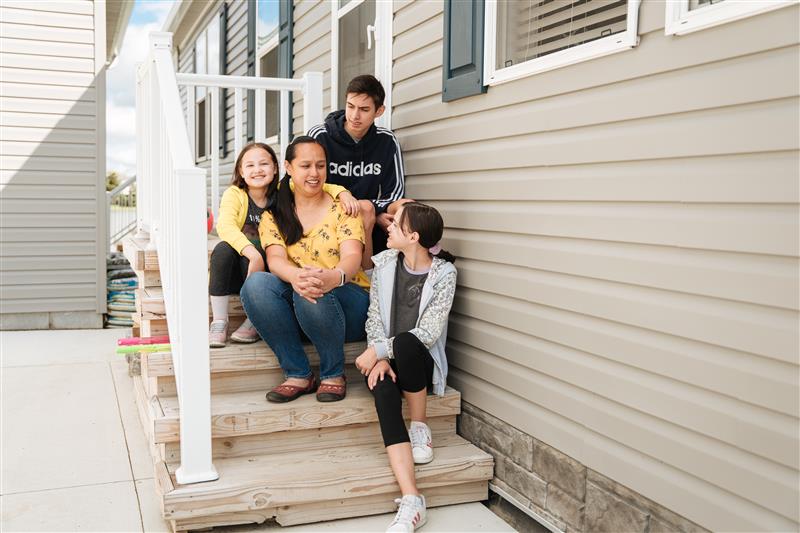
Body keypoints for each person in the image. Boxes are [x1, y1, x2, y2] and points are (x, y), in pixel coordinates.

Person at [240, 136, 371, 402]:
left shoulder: (343, 208)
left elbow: (352, 257)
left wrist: (333, 277)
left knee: (311, 286)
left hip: (349, 304)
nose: (314, 173)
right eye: (306, 166)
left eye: (320, 166)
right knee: (256, 285)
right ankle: (298, 374)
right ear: (288, 168)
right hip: (302, 305)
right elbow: (275, 260)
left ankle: (333, 373)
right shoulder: (274, 215)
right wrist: (297, 276)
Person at [354, 202, 457, 532]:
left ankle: (420, 425)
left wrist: (379, 350)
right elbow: (374, 319)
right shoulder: (383, 264)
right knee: (382, 393)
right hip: (385, 360)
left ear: (413, 236)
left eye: (396, 224)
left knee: (410, 343)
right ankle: (412, 499)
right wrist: (379, 357)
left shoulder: (444, 274)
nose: (388, 226)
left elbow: (427, 333)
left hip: (418, 362)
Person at [209, 142, 357, 348]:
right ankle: (219, 321)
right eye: (250, 166)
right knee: (223, 250)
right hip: (242, 263)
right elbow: (225, 226)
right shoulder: (235, 195)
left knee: (272, 256)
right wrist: (252, 254)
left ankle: (253, 320)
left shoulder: (281, 192)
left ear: (277, 168)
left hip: (267, 267)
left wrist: (343, 193)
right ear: (241, 171)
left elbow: (321, 185)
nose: (258, 170)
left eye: (264, 164)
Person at [308, 74, 413, 269]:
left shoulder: (387, 141)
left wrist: (375, 210)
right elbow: (303, 185)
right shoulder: (320, 136)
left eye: (364, 109)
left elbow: (395, 192)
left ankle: (406, 277)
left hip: (370, 215)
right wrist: (362, 208)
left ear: (379, 111)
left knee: (408, 207)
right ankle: (365, 280)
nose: (355, 116)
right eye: (351, 106)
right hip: (328, 213)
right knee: (364, 211)